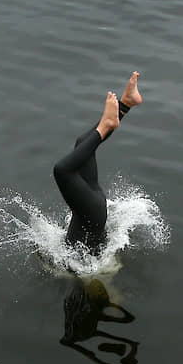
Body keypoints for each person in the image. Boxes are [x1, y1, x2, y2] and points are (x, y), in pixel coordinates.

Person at [53, 72, 142, 255]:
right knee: (66, 166)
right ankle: (117, 112)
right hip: (91, 213)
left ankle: (121, 108)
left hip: (91, 213)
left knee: (79, 147)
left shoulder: (73, 267)